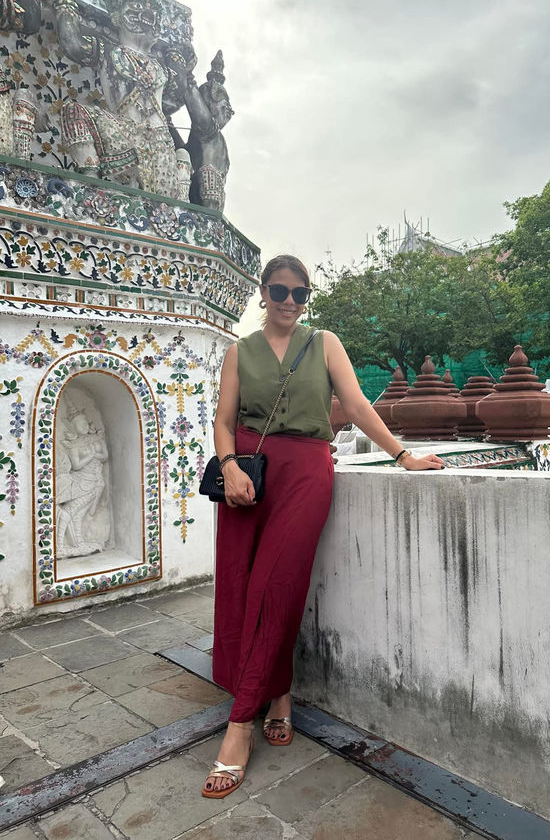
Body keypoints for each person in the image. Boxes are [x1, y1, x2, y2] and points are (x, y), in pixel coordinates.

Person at [203, 254, 444, 798]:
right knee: (242, 588)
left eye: (299, 293)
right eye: (279, 291)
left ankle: (239, 725)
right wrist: (229, 466)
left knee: (278, 586)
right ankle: (279, 693)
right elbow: (223, 420)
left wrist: (402, 455)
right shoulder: (239, 351)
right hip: (248, 477)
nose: (289, 302)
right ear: (263, 292)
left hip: (306, 474)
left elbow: (356, 406)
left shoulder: (324, 343)